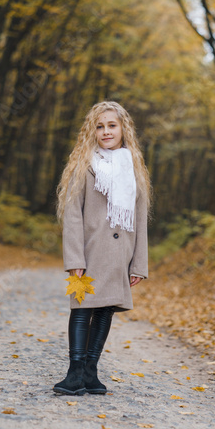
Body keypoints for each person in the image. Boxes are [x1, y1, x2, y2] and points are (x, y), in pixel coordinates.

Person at [53, 100, 151, 396]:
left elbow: (140, 219)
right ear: (92, 131)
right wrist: (74, 257)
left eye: (112, 125)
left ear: (123, 129)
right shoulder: (84, 165)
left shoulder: (133, 168)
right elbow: (71, 214)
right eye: (100, 126)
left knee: (106, 310)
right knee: (82, 309)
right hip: (89, 251)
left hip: (121, 254)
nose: (106, 131)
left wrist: (139, 264)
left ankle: (90, 372)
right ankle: (74, 372)